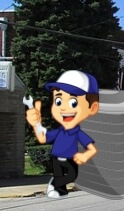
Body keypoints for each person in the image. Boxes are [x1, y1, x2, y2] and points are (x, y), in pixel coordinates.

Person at [26, 70, 100, 199]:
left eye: (73, 102)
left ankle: (53, 185)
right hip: (56, 157)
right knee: (60, 175)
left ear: (92, 108)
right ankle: (60, 189)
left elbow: (91, 148)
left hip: (70, 158)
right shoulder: (59, 130)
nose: (64, 108)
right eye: (58, 101)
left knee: (72, 175)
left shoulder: (77, 132)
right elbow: (43, 138)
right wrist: (35, 124)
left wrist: (85, 155)